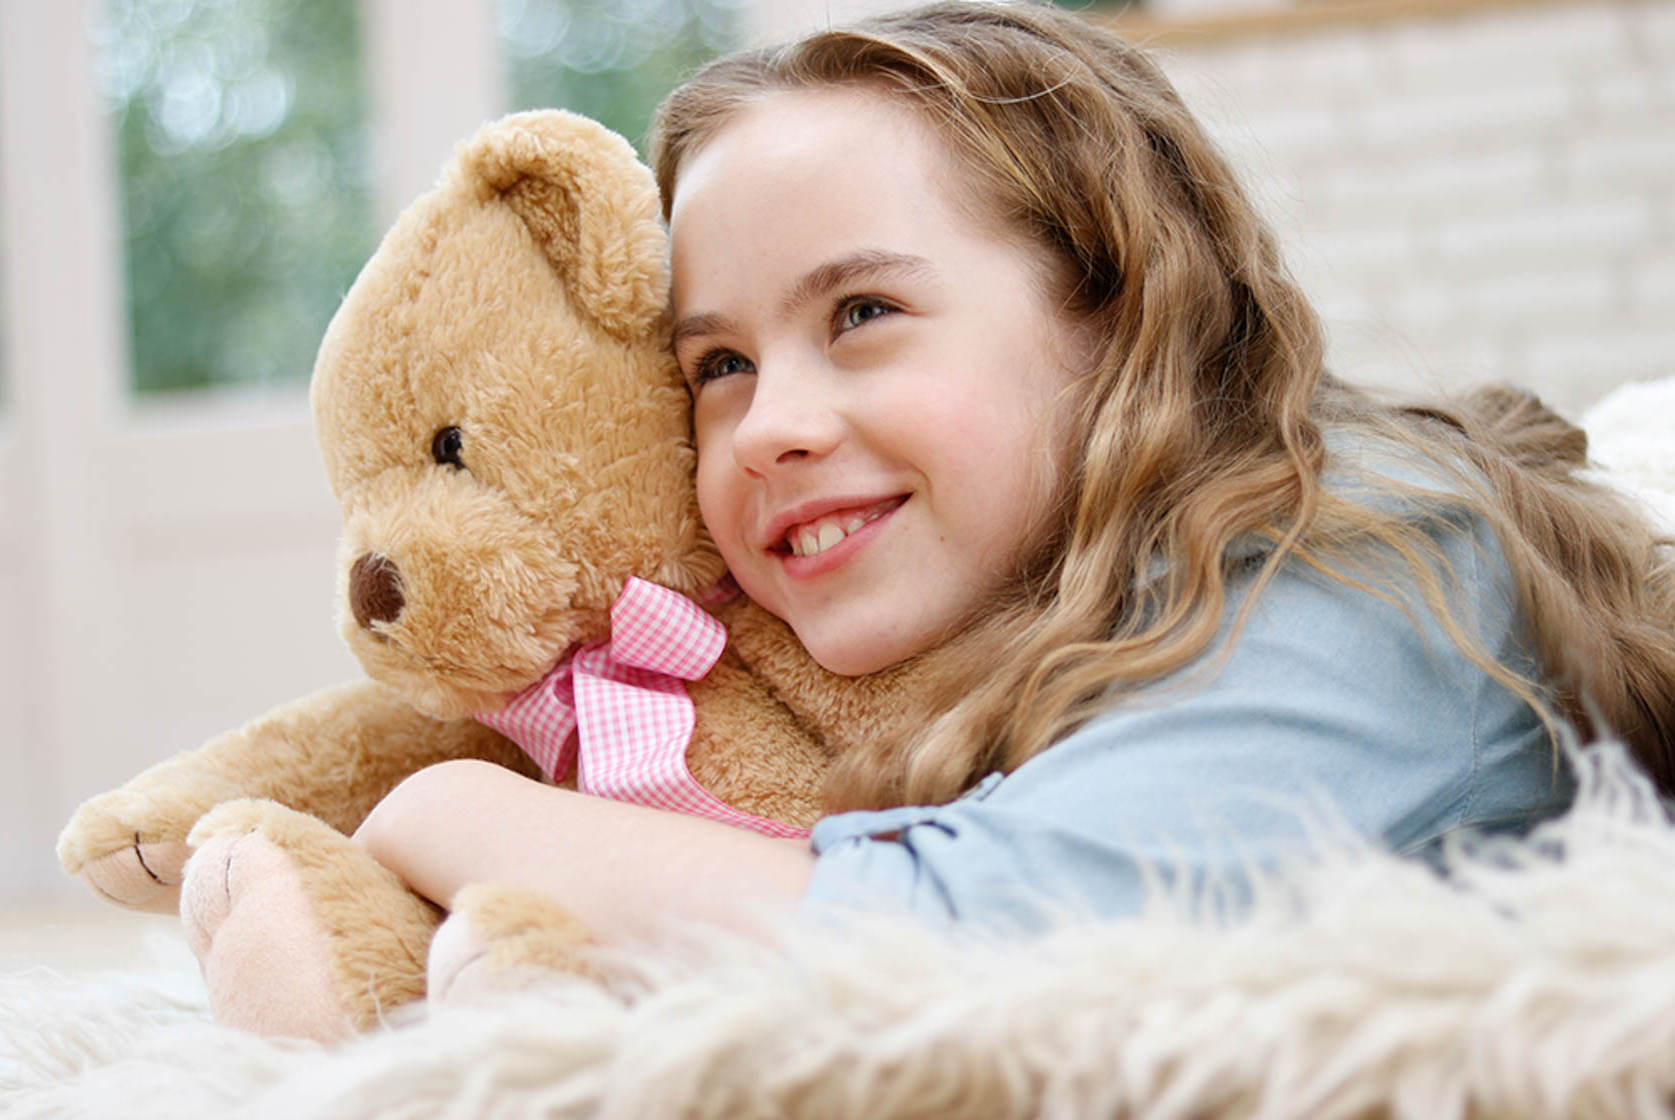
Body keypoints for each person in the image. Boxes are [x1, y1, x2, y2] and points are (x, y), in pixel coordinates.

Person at [355, 1, 1675, 940]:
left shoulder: (1382, 561)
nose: (765, 430)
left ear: (1117, 318)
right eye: (718, 366)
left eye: (862, 314)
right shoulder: (966, 621)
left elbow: (966, 938)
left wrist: (447, 809)